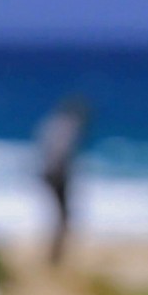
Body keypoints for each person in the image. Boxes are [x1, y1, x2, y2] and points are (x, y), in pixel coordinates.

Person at [37, 97, 92, 264]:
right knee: (63, 217)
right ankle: (55, 257)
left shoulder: (51, 123)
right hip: (57, 175)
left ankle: (55, 255)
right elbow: (59, 154)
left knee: (59, 216)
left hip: (48, 173)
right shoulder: (68, 126)